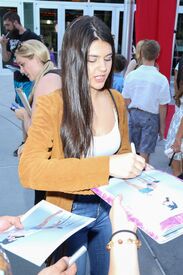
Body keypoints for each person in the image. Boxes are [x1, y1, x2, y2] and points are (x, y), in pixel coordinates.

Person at [18, 15, 145, 275]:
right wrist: (108, 165)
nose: (102, 68)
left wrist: (132, 166)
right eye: (92, 60)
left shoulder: (117, 100)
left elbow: (121, 152)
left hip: (110, 207)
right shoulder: (54, 104)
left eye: (108, 59)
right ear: (76, 59)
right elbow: (29, 170)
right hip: (69, 210)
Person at [14, 39, 61, 204]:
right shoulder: (58, 74)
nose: (22, 70)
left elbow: (37, 131)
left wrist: (24, 116)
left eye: (23, 64)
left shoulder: (46, 81)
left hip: (49, 161)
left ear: (35, 57)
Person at [123, 39, 171, 163]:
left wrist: (132, 111)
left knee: (132, 149)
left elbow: (126, 98)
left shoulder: (131, 76)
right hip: (151, 117)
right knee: (145, 152)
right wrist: (162, 127)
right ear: (157, 55)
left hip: (134, 113)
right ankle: (143, 176)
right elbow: (163, 106)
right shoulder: (161, 79)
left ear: (141, 54)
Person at [0, 11, 41, 157]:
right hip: (17, 78)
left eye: (8, 25)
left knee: (29, 110)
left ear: (16, 22)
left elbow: (39, 58)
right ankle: (25, 141)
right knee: (21, 111)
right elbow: (6, 59)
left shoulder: (32, 38)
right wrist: (3, 46)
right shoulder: (10, 37)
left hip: (30, 80)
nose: (6, 29)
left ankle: (31, 142)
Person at [165, 57, 183, 176]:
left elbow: (177, 79)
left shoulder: (180, 64)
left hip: (179, 127)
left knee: (176, 171)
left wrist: (177, 139)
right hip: (179, 122)